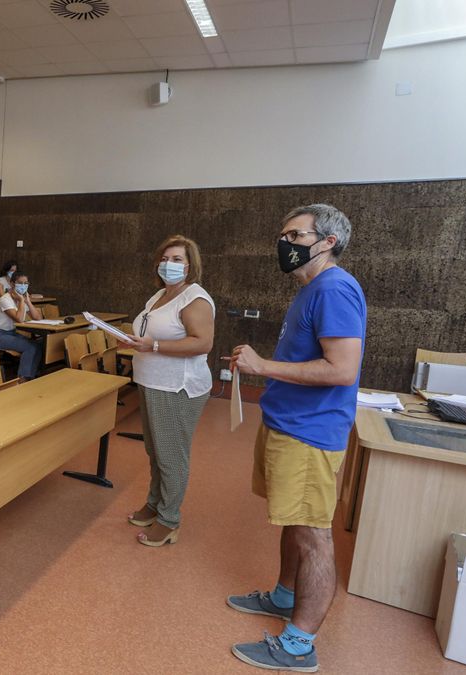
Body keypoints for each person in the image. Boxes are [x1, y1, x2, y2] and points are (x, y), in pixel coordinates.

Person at [227, 204, 366, 673]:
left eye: (295, 234)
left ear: (326, 242)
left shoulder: (335, 288)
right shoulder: (310, 289)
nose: (284, 242)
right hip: (287, 425)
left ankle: (298, 646)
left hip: (309, 434)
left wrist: (263, 367)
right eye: (283, 233)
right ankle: (285, 598)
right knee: (293, 519)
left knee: (313, 537)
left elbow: (342, 368)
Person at [117, 235, 215, 547]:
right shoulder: (159, 295)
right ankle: (154, 504)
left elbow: (202, 342)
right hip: (151, 380)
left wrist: (154, 345)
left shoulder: (194, 299)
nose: (168, 264)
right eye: (165, 258)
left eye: (177, 260)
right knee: (155, 450)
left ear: (190, 266)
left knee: (171, 454)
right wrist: (134, 341)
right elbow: (149, 333)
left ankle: (169, 519)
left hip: (177, 386)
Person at [0, 270, 42, 380]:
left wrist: (28, 301)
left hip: (11, 333)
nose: (23, 286)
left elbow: (38, 318)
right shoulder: (5, 299)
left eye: (26, 283)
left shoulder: (21, 299)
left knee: (38, 345)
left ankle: (32, 374)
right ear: (12, 284)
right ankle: (23, 378)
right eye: (20, 283)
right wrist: (22, 300)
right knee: (30, 347)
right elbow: (19, 319)